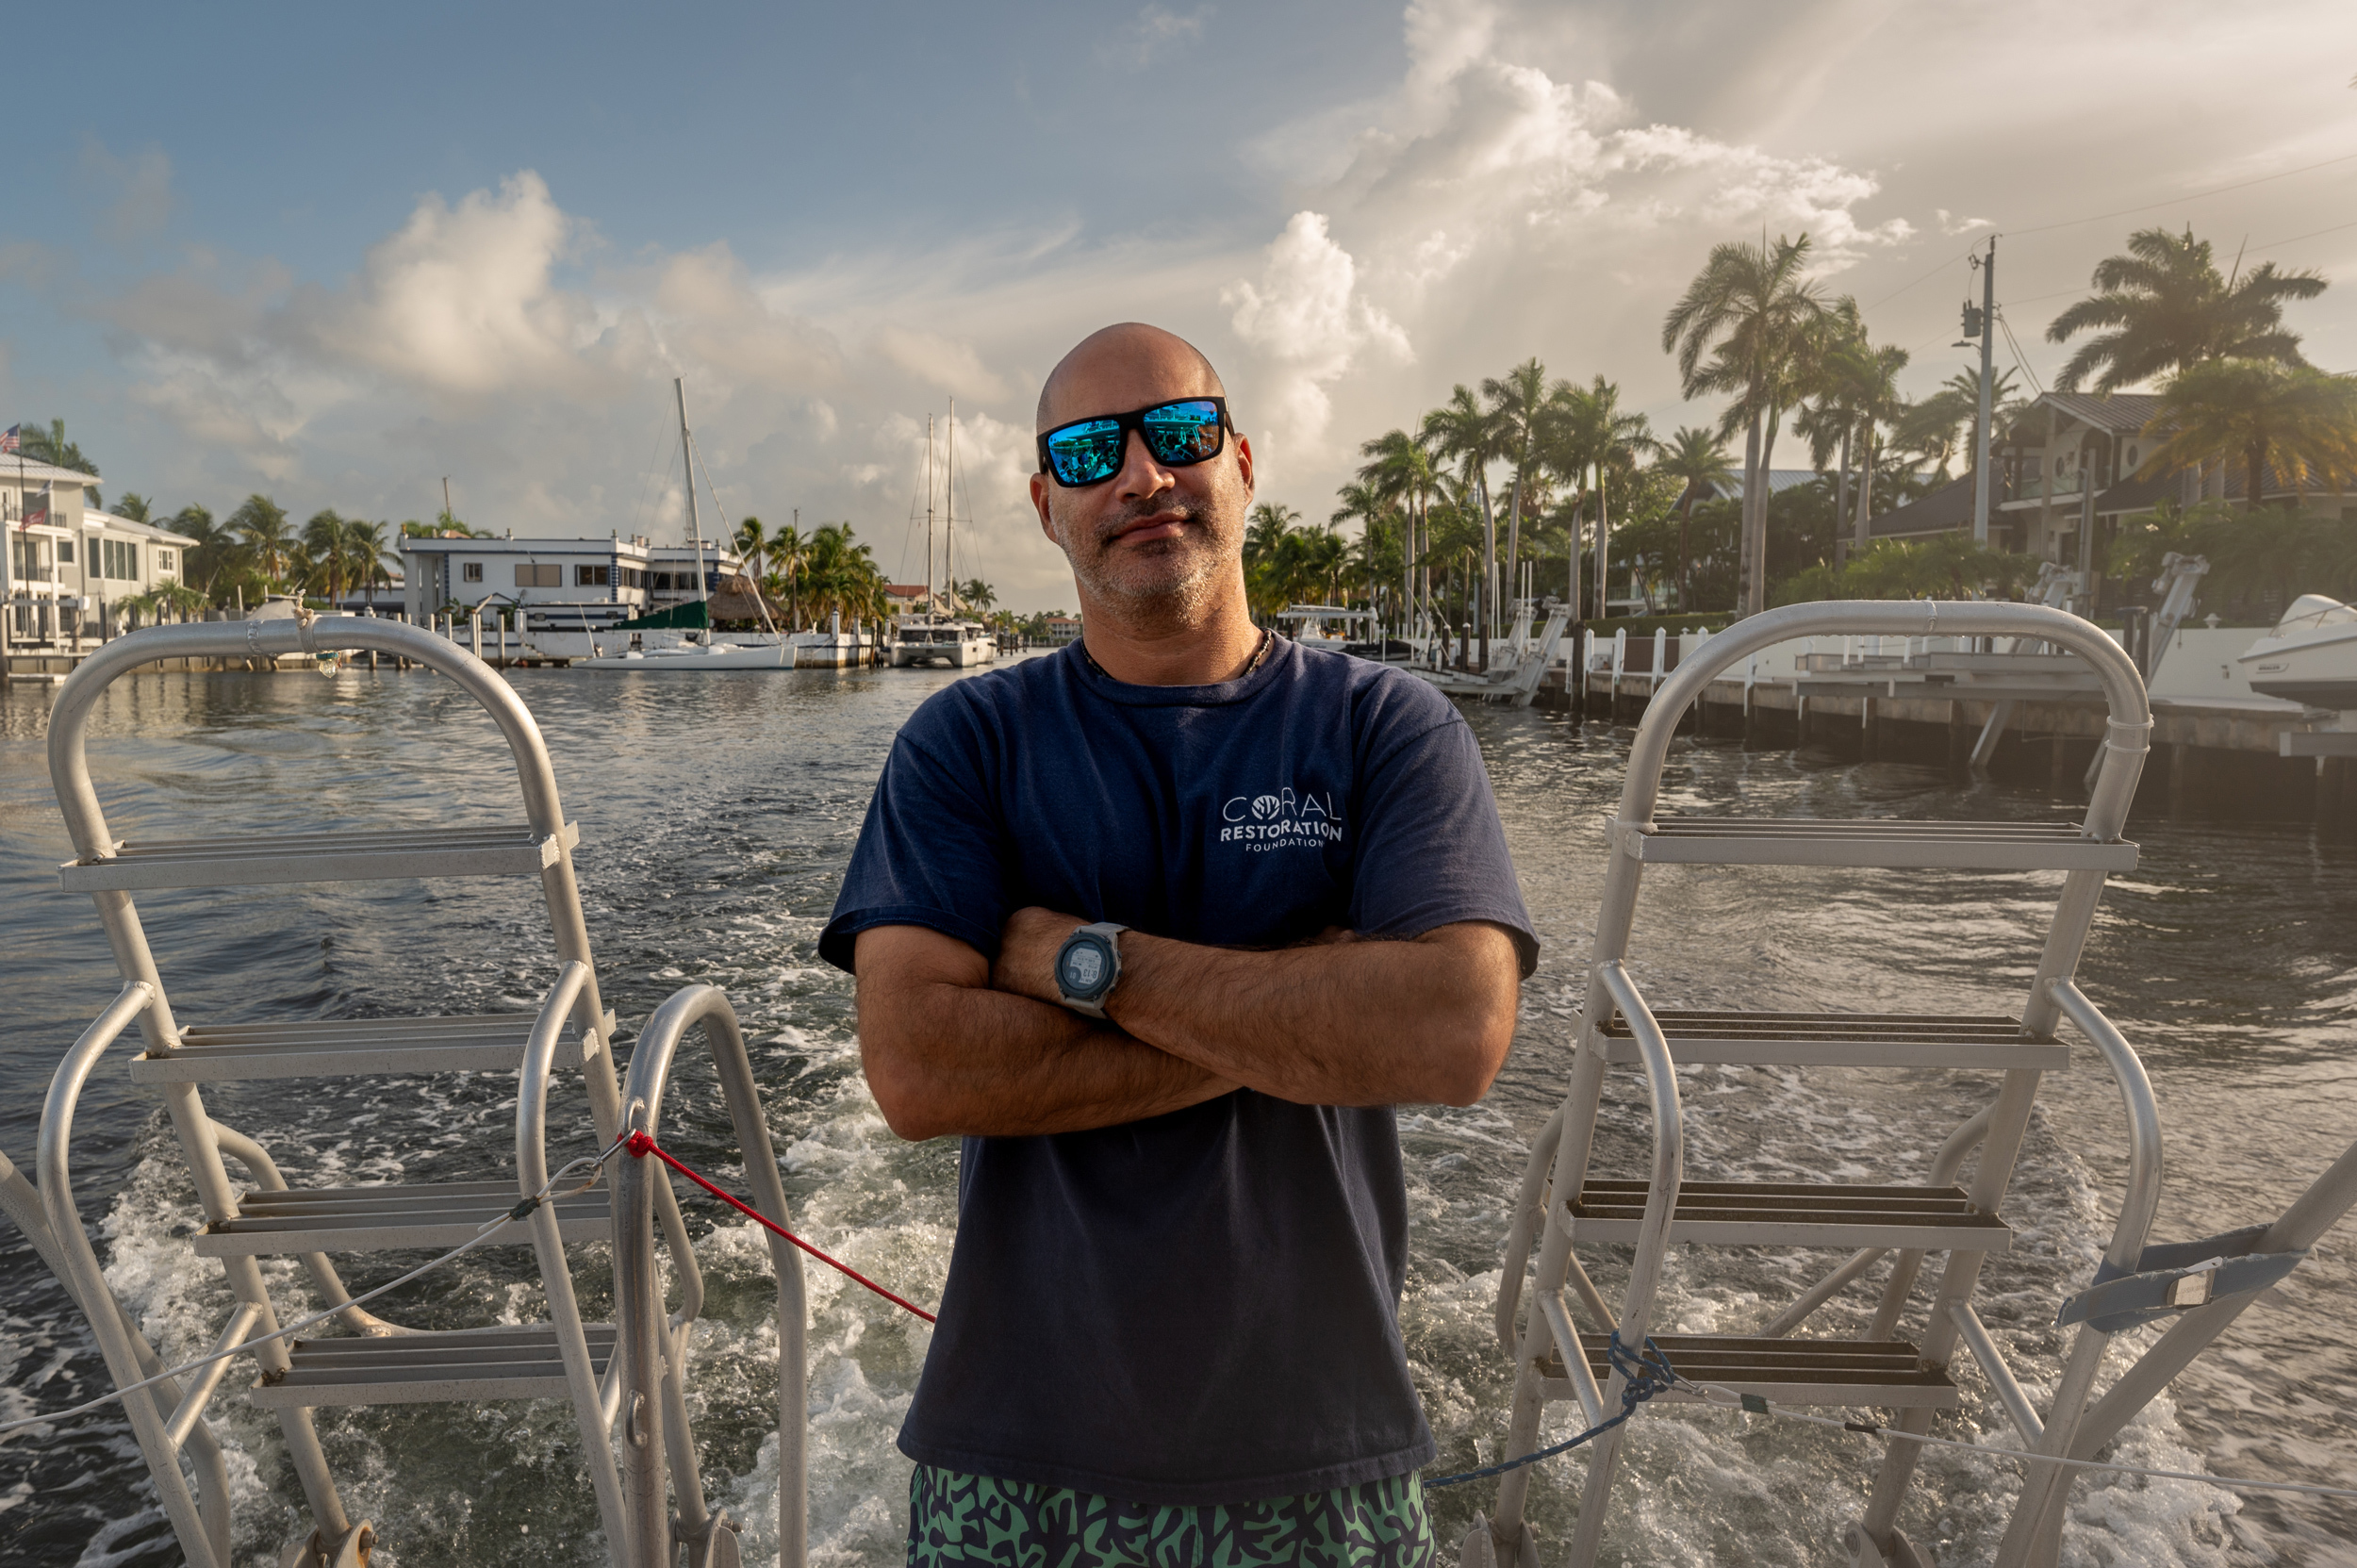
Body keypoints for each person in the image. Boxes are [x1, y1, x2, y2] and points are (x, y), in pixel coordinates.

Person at [819, 322, 1536, 1566]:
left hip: (1324, 1452)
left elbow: (1454, 1030)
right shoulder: (965, 743)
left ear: (1243, 463)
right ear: (1049, 504)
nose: (1142, 475)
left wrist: (1084, 964)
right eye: (1093, 451)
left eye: (1181, 435)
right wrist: (1309, 1017)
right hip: (1013, 1456)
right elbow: (920, 1066)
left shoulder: (1384, 729)